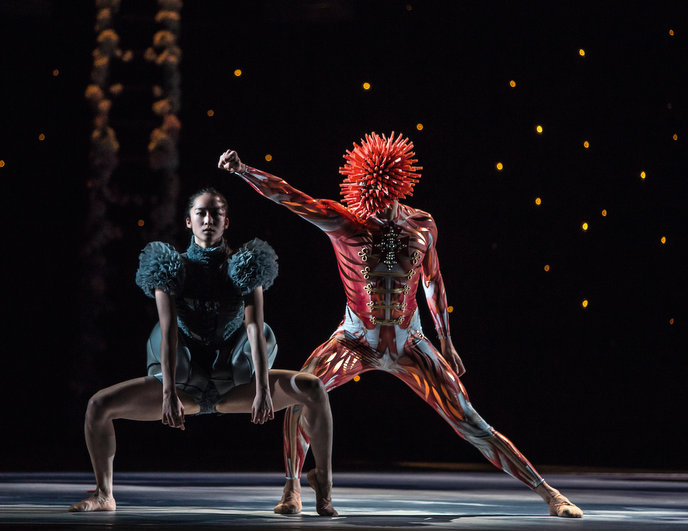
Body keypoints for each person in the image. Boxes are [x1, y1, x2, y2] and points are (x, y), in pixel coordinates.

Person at [218, 133, 583, 518]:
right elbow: (291, 197)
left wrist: (446, 340)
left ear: (397, 186)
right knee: (301, 393)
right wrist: (244, 170)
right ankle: (292, 487)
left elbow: (433, 280)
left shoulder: (422, 225)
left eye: (384, 197)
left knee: (471, 421)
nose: (378, 207)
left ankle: (549, 494)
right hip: (355, 339)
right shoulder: (345, 224)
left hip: (411, 342)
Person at [69, 188, 337, 516]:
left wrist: (264, 389)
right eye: (201, 213)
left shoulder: (247, 266)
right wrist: (168, 393)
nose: (208, 220)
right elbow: (167, 332)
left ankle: (323, 489)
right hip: (184, 384)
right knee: (98, 405)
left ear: (227, 222)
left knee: (313, 388)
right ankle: (104, 493)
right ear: (188, 221)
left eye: (216, 214)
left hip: (234, 381)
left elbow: (255, 327)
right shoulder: (170, 269)